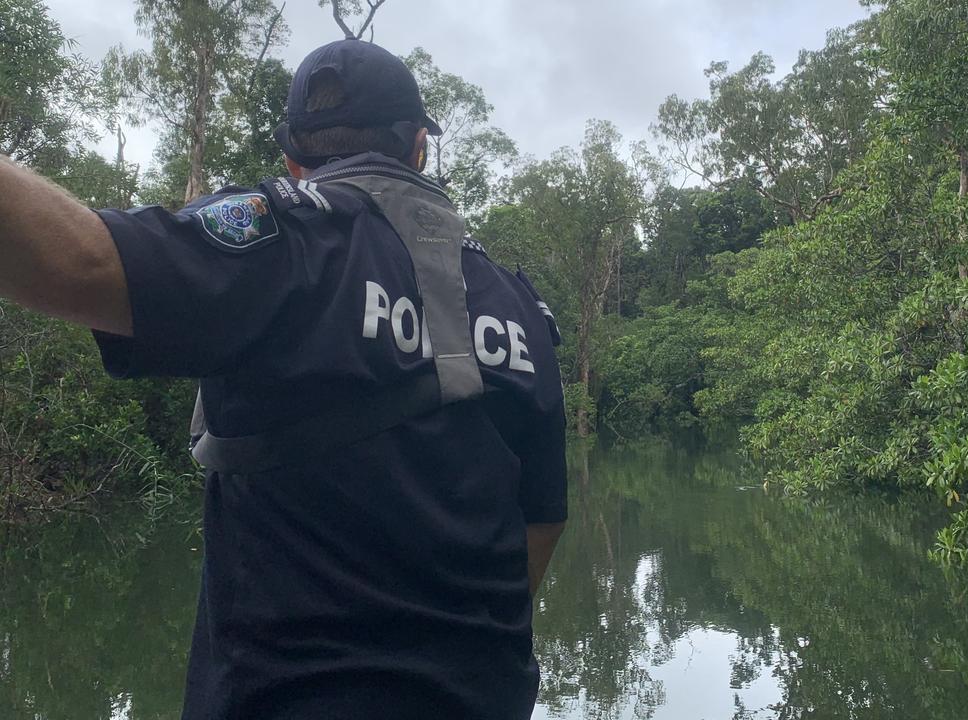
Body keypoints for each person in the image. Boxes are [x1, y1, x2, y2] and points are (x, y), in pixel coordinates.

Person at [0, 39, 567, 719]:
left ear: (293, 156)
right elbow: (542, 522)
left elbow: (82, 264)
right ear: (419, 148)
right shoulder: (522, 311)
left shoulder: (284, 244)